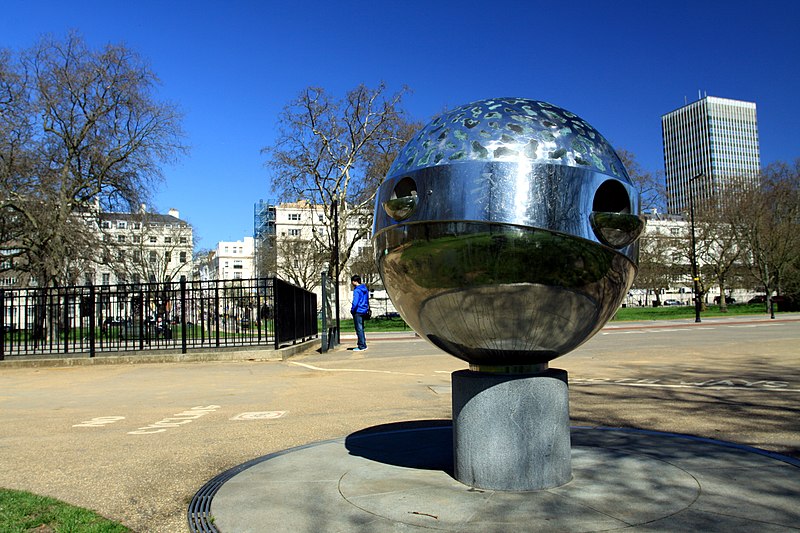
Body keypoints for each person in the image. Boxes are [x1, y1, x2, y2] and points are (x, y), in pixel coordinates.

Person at [350, 274, 369, 351]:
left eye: (352, 281)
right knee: (361, 328)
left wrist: (352, 310)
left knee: (359, 329)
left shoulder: (357, 290)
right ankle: (363, 344)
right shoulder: (365, 289)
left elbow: (355, 302)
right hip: (364, 310)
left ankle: (361, 345)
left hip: (358, 310)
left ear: (355, 281)